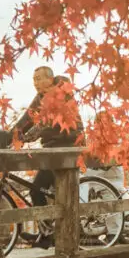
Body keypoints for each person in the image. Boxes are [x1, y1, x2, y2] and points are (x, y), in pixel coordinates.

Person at [12, 66, 84, 207]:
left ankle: (71, 226)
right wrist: (12, 135)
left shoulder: (63, 92)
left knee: (60, 194)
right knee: (36, 191)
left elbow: (49, 123)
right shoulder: (39, 98)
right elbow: (26, 119)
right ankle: (48, 228)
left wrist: (29, 137)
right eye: (34, 80)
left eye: (38, 79)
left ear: (50, 79)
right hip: (51, 149)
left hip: (68, 146)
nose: (35, 83)